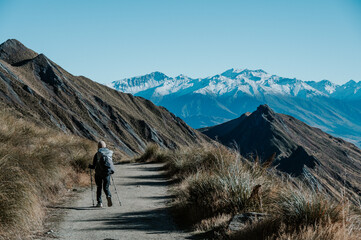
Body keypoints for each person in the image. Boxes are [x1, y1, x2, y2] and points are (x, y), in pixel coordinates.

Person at [89, 141, 115, 207]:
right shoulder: (109, 153)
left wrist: (90, 166)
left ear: (98, 147)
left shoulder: (97, 154)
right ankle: (108, 195)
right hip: (107, 173)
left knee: (99, 187)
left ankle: (99, 203)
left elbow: (94, 166)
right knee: (106, 188)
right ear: (105, 146)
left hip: (98, 174)